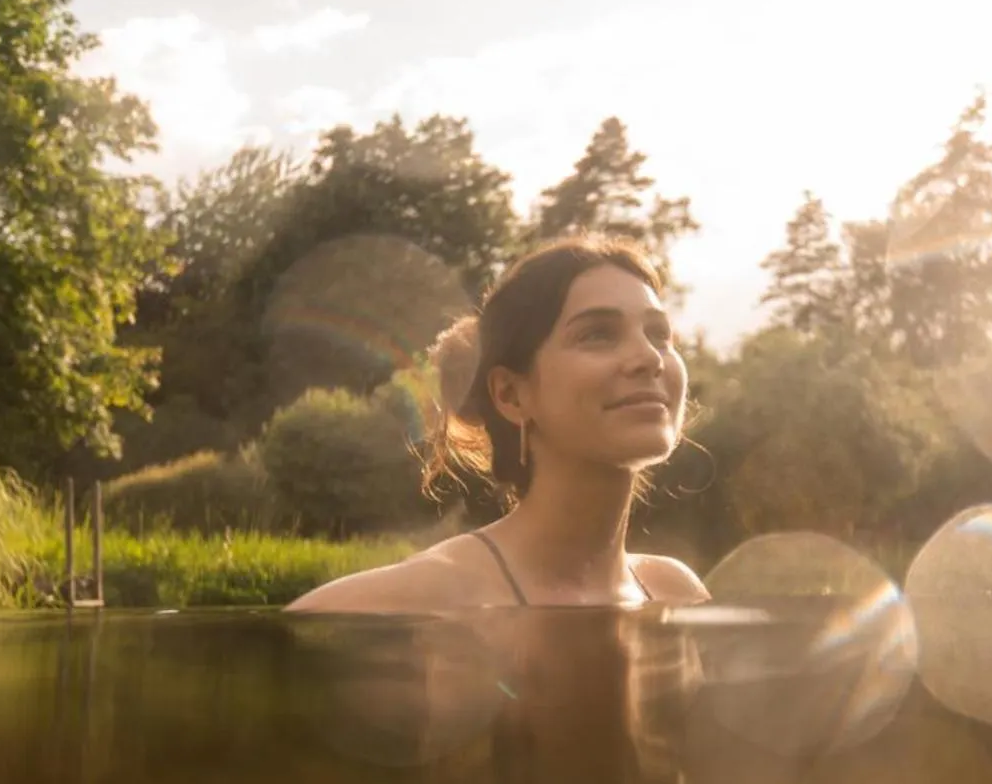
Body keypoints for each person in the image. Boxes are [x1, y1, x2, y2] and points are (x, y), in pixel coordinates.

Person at [285, 236, 709, 614]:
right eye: (597, 334)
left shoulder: (675, 591)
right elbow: (298, 632)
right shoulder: (437, 596)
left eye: (659, 334)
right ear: (510, 394)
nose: (650, 358)